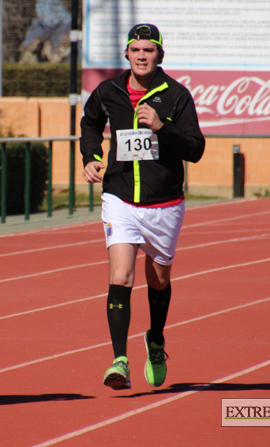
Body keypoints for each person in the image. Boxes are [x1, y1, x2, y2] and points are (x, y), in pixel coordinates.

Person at [80, 24, 205, 390]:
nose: (141, 55)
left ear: (160, 55)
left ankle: (156, 339)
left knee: (159, 279)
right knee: (121, 276)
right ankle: (119, 359)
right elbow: (90, 122)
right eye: (135, 49)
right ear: (127, 54)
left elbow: (195, 149)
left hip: (164, 203)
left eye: (148, 50)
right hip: (119, 197)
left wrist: (162, 126)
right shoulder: (109, 91)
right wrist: (90, 155)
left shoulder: (177, 95)